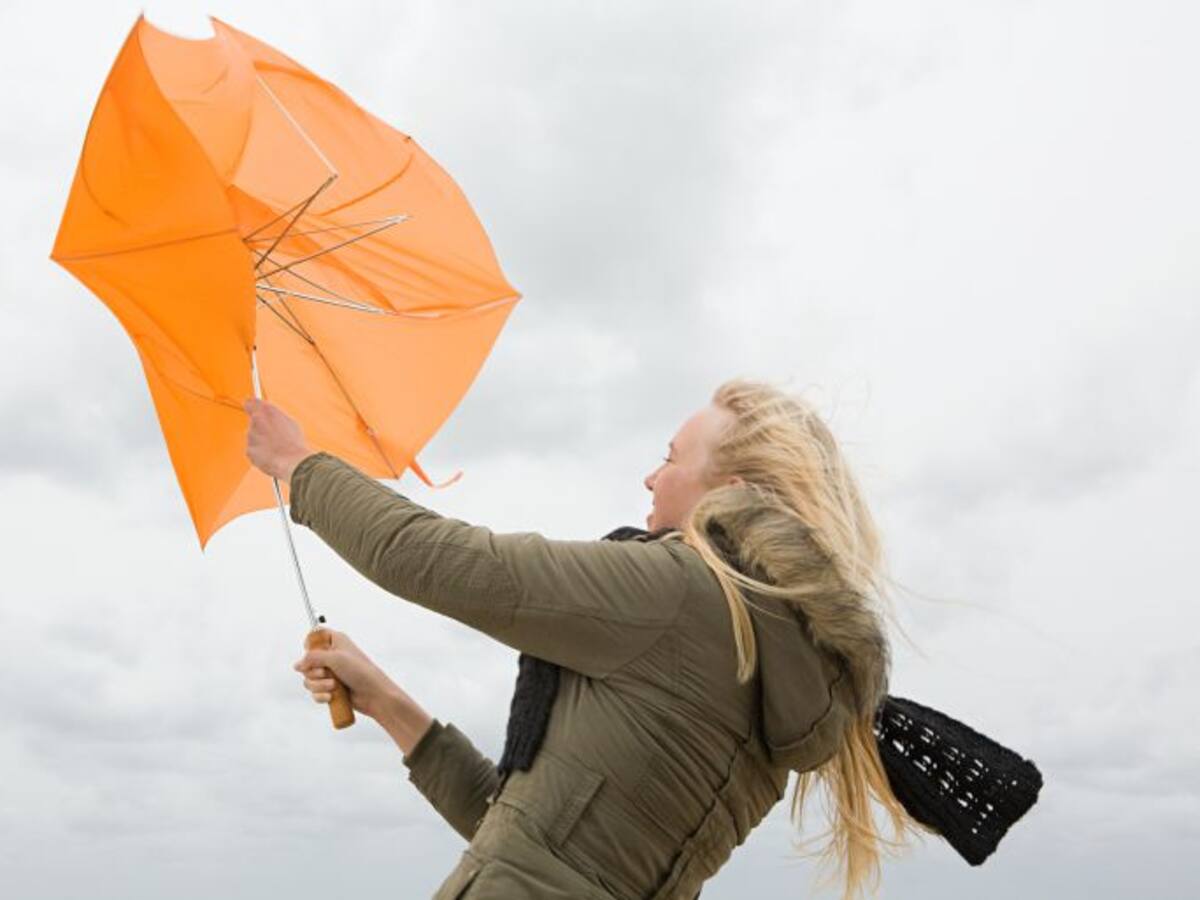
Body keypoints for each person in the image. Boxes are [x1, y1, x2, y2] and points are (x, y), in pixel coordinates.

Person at [244, 378, 925, 900]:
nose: (651, 478)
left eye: (670, 458)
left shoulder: (682, 595)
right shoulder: (771, 656)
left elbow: (445, 561)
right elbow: (527, 844)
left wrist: (299, 464)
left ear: (733, 493)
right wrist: (389, 703)